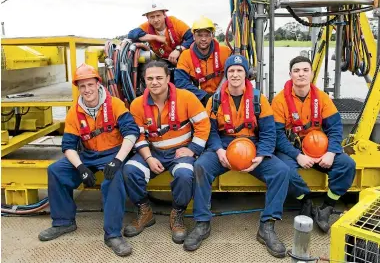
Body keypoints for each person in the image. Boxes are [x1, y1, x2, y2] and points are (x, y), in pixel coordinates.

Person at [184, 55, 290, 258]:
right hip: (224, 144)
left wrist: (262, 154)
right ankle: (202, 223)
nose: (235, 74)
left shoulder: (259, 99)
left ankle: (267, 226)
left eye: (239, 70)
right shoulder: (214, 100)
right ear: (226, 74)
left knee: (281, 172)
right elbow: (210, 130)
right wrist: (218, 149)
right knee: (201, 167)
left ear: (246, 74)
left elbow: (269, 132)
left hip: (253, 146)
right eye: (231, 70)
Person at [38, 64, 140, 257]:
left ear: (97, 84)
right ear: (78, 88)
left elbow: (131, 133)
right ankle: (63, 222)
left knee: (113, 179)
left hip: (113, 152)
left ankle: (113, 234)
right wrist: (81, 167)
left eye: (90, 85)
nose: (87, 90)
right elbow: (68, 145)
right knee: (56, 171)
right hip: (88, 154)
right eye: (82, 86)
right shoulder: (74, 112)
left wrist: (118, 161)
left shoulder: (115, 104)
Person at [123, 60, 210, 244]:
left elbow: (203, 124)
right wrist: (148, 157)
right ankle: (144, 212)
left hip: (180, 152)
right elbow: (137, 135)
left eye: (159, 78)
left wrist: (192, 149)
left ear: (168, 78)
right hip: (152, 151)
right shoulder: (137, 104)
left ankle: (178, 214)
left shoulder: (186, 97)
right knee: (130, 170)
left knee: (185, 175)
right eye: (150, 78)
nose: (155, 82)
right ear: (144, 80)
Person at [271, 55, 356, 233]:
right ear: (290, 75)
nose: (301, 74)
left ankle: (327, 207)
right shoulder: (279, 101)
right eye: (296, 71)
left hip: (321, 149)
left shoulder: (323, 99)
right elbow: (277, 135)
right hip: (292, 149)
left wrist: (331, 152)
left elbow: (335, 128)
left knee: (347, 165)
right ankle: (305, 200)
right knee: (284, 170)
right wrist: (298, 156)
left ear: (311, 73)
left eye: (305, 70)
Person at [174, 16, 231, 106]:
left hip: (224, 97)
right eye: (199, 35)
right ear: (193, 36)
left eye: (207, 35)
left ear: (212, 36)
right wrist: (203, 96)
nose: (203, 39)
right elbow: (180, 82)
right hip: (198, 99)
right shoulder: (185, 56)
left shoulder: (226, 51)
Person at [127, 2, 193, 66]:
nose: (156, 20)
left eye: (158, 16)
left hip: (181, 57)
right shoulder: (146, 26)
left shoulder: (175, 22)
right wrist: (155, 37)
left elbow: (192, 37)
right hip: (161, 60)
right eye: (152, 17)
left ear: (164, 15)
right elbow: (131, 34)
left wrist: (178, 50)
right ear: (147, 18)